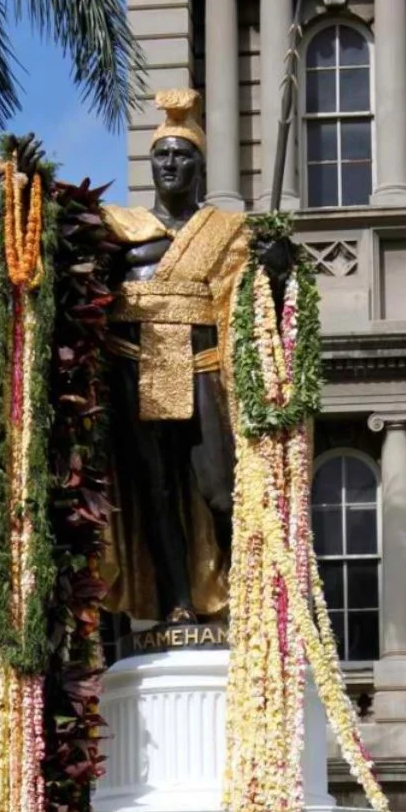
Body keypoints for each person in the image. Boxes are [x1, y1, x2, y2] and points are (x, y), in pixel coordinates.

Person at [100, 90, 293, 622]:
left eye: (181, 155)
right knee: (155, 490)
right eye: (161, 155)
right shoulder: (119, 229)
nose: (170, 164)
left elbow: (250, 303)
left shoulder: (225, 230)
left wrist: (276, 272)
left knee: (219, 490)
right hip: (137, 368)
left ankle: (238, 594)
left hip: (203, 367)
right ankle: (177, 603)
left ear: (199, 167)